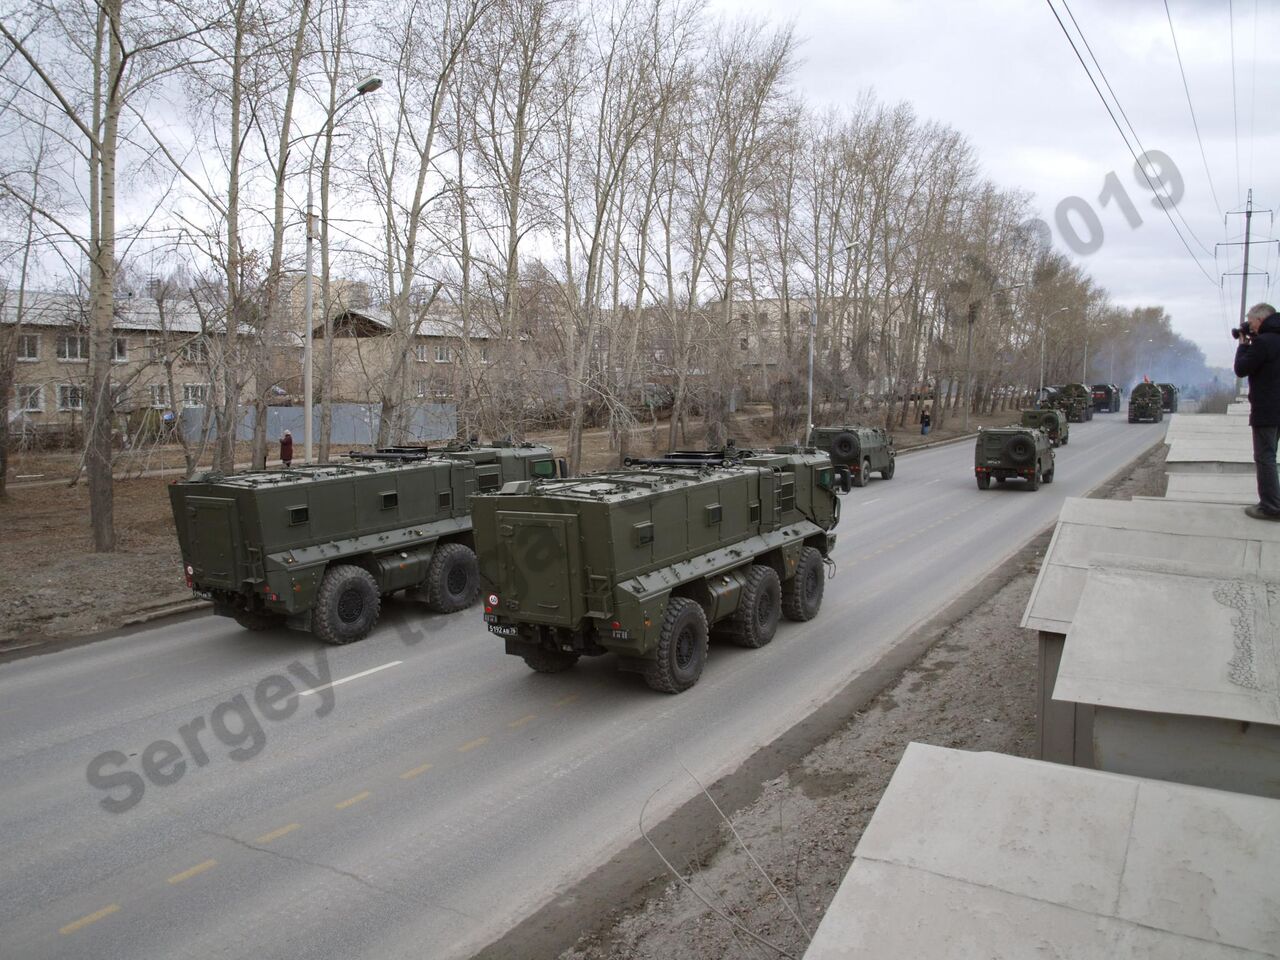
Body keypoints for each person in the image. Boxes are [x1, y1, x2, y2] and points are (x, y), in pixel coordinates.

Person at [1233, 302, 1280, 520]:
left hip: (1267, 409)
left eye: (1251, 321)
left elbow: (1241, 369)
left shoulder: (1263, 343)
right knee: (1271, 455)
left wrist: (1243, 344)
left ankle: (1270, 507)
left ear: (1260, 320)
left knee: (1265, 457)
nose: (1249, 326)